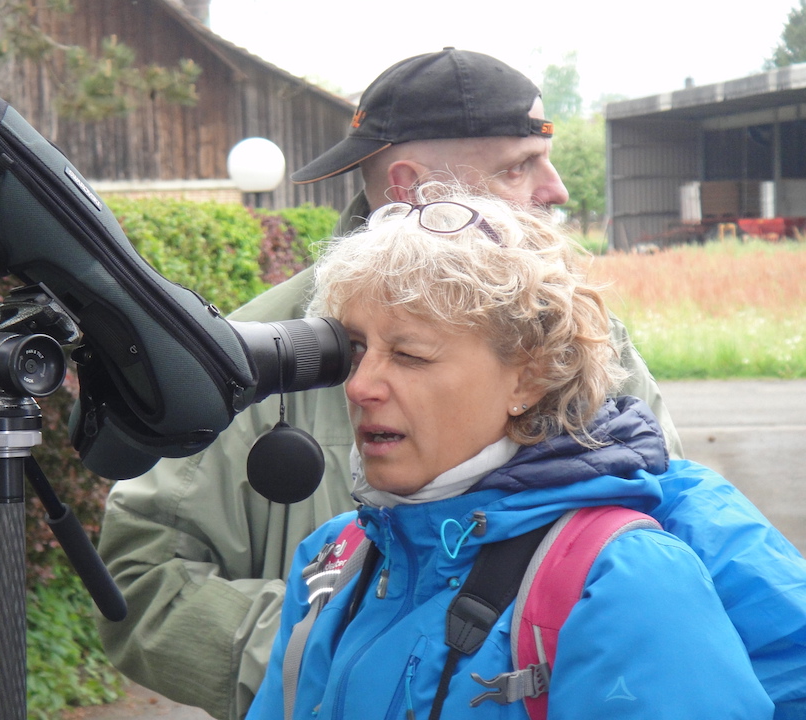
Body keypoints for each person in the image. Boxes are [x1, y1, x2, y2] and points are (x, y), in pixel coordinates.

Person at [96, 49, 806, 720]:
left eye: (411, 354)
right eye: (519, 166)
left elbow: (685, 593)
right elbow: (142, 575)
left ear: (534, 367)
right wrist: (326, 650)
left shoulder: (628, 565)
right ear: (412, 188)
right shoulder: (260, 379)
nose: (360, 385)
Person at [246, 187, 773, 720]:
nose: (360, 386)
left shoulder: (626, 582)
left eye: (409, 355)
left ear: (529, 377)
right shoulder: (335, 556)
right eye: (355, 349)